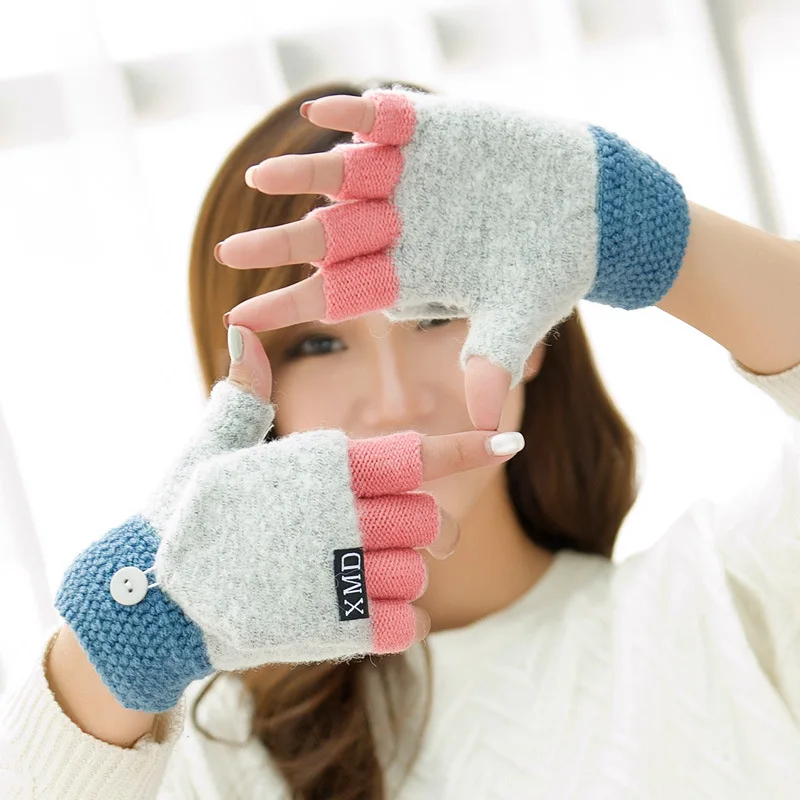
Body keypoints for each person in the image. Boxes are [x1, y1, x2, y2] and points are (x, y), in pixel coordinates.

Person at [1, 77, 799, 800]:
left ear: (533, 331)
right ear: (248, 389)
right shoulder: (210, 751)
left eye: (434, 315)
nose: (395, 400)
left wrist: (627, 224)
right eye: (319, 344)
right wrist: (135, 617)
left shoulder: (726, 601)